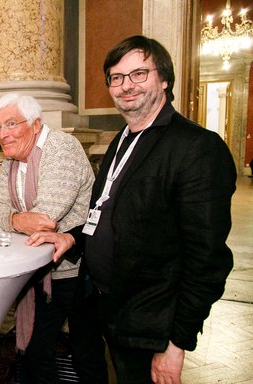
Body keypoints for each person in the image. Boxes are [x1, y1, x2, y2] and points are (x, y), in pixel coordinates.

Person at [82, 35, 236, 383]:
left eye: (139, 74)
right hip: (112, 310)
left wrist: (176, 341)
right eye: (116, 78)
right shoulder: (122, 139)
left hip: (153, 323)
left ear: (164, 79)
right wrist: (69, 238)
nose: (126, 86)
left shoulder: (196, 147)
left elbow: (206, 259)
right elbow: (110, 215)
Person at [0, 93, 107, 383]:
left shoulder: (61, 148)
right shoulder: (11, 159)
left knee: (86, 354)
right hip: (42, 272)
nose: (3, 134)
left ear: (36, 124)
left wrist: (11, 219)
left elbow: (46, 219)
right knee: (36, 351)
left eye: (11, 124)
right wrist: (17, 219)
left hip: (78, 271)